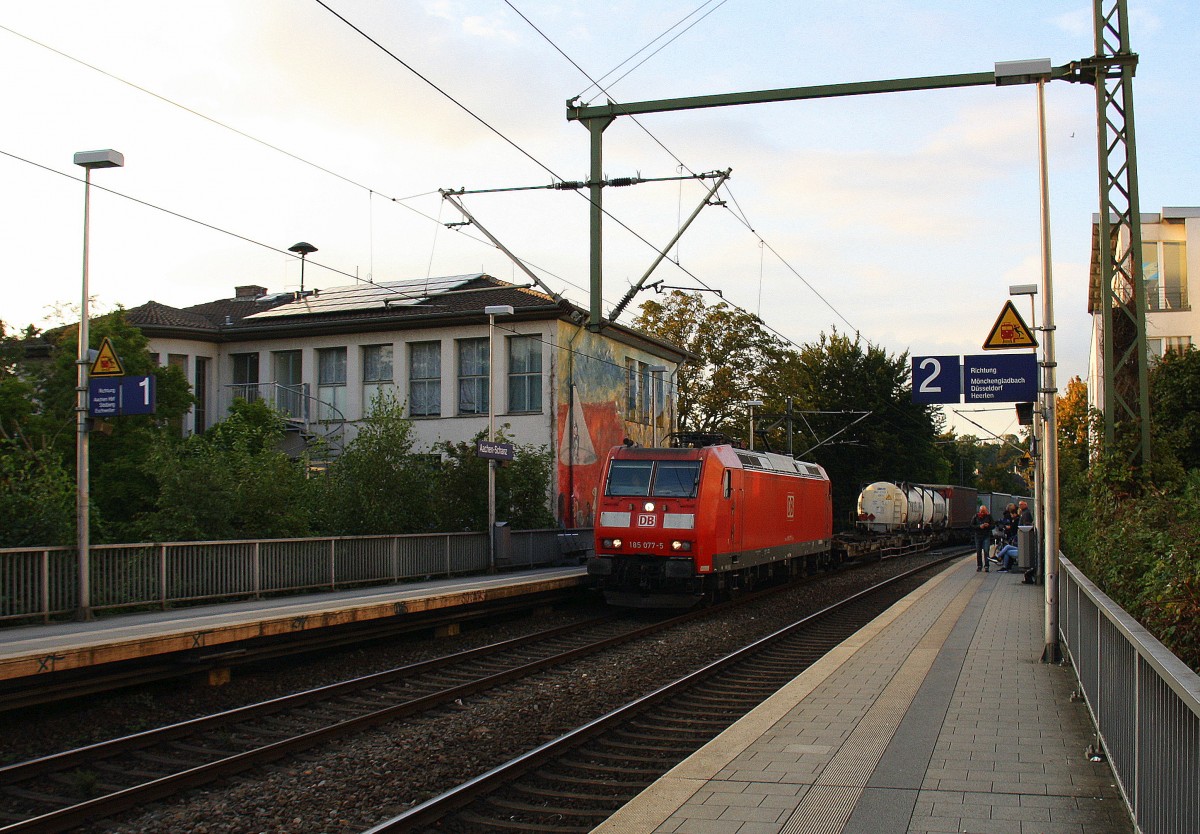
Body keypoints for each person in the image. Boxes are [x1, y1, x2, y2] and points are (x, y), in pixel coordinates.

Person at [972, 505, 994, 572]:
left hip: (986, 536)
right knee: (978, 551)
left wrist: (988, 526)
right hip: (978, 536)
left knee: (986, 551)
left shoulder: (989, 517)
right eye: (981, 512)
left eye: (984, 512)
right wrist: (979, 526)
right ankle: (979, 566)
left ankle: (986, 566)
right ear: (979, 511)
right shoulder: (975, 516)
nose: (982, 513)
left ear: (986, 511)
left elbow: (993, 525)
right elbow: (971, 525)